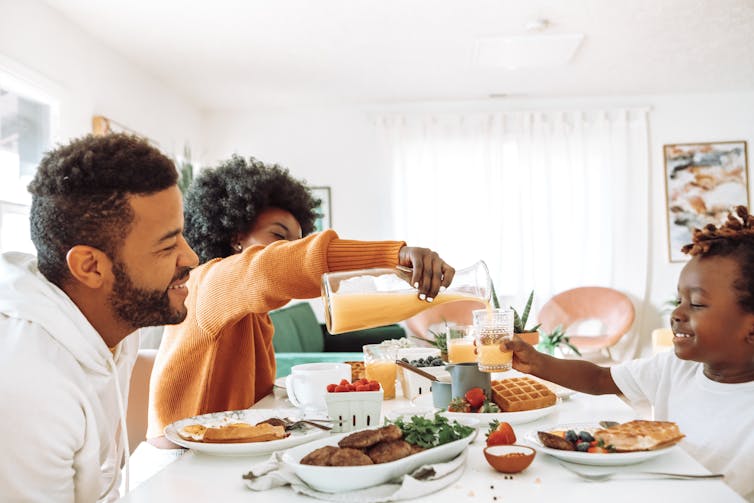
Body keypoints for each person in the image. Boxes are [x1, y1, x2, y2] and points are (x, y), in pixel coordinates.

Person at [146, 155, 455, 446]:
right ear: (235, 237)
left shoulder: (250, 311)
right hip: (181, 454)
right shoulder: (210, 283)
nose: (289, 250)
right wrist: (391, 256)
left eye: (298, 242)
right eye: (279, 238)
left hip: (228, 445)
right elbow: (272, 266)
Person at [501, 206, 754, 501]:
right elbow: (598, 379)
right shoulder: (673, 368)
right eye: (678, 300)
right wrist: (538, 362)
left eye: (696, 304)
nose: (677, 313)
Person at [0, 134, 199, 502]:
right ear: (90, 267)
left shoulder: (112, 321)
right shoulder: (30, 384)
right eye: (168, 245)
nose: (191, 259)